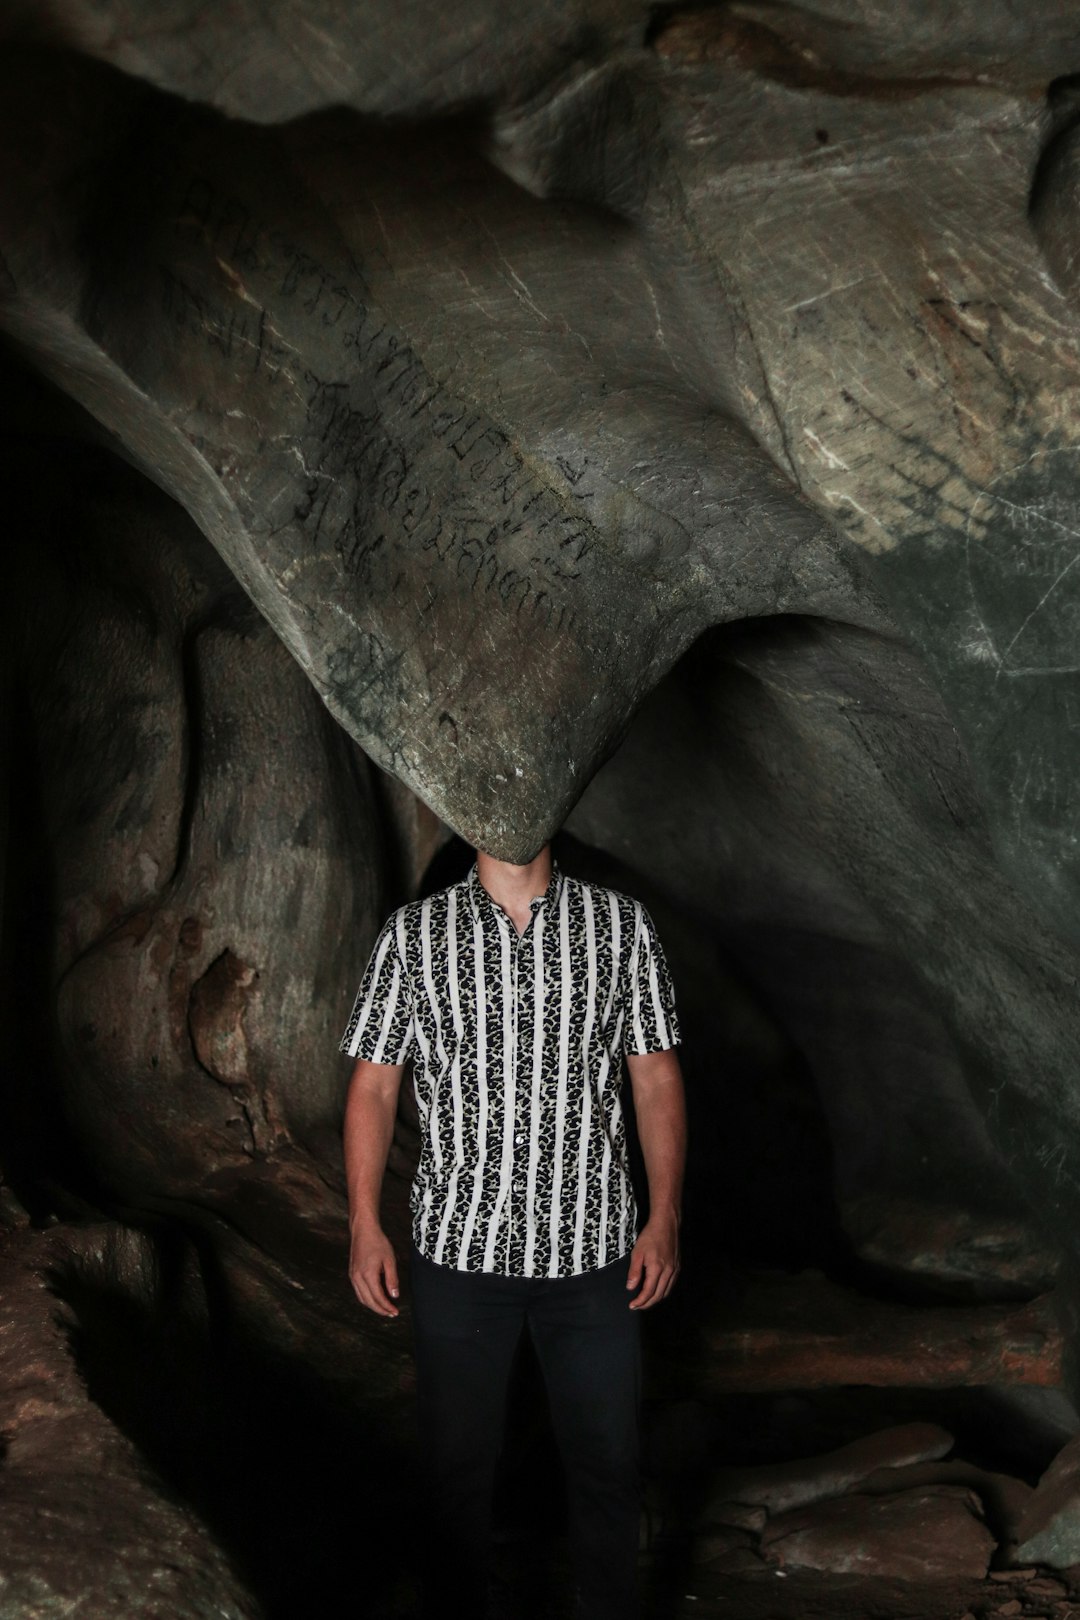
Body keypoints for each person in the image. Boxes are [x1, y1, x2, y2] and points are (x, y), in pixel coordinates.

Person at [341, 842, 686, 1620]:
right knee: (455, 1475)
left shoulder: (621, 925)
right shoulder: (413, 934)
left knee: (608, 1468)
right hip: (459, 1253)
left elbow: (656, 1075)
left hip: (596, 1255)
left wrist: (665, 1217)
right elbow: (373, 1083)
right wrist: (363, 1223)